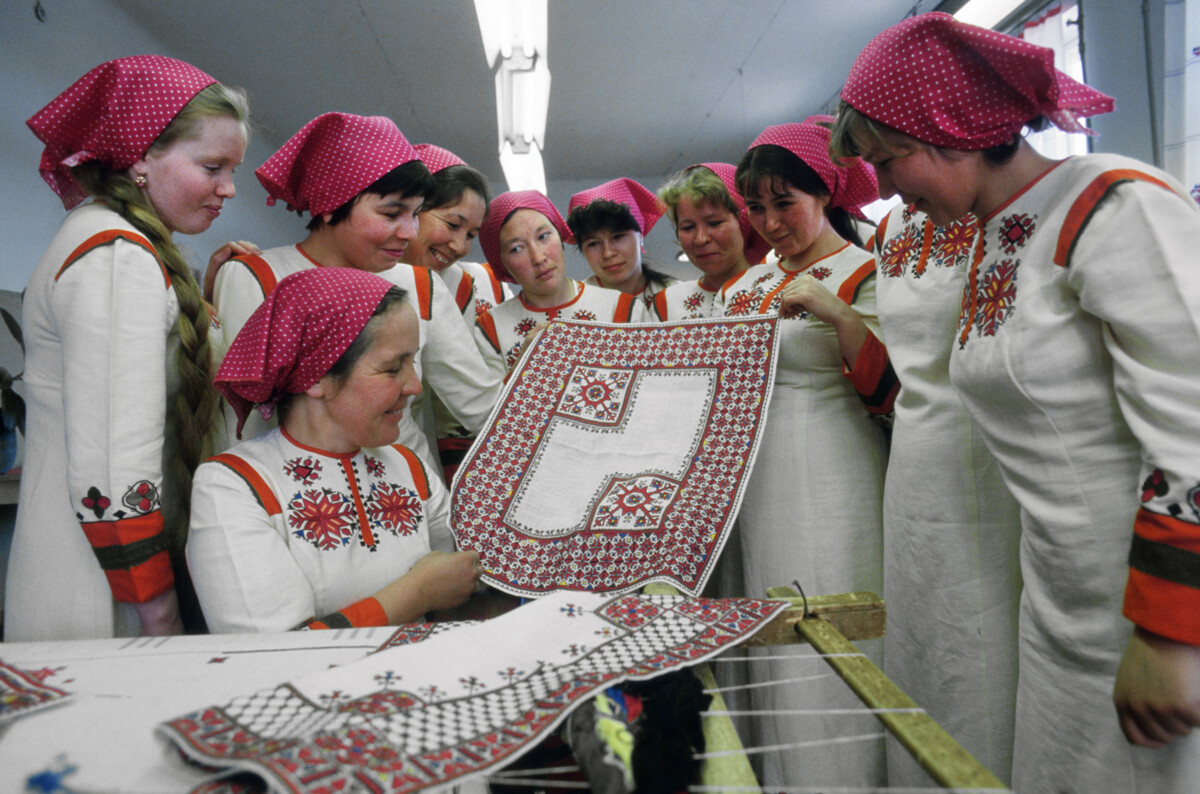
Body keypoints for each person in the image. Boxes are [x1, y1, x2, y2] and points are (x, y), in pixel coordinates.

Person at [830, 11, 1200, 792]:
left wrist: (1171, 636)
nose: (885, 189)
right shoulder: (998, 235)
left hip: (1151, 618)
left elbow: (1192, 429)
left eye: (888, 161)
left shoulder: (1112, 207)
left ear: (954, 129)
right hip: (1060, 610)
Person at [8, 56, 249, 640]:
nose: (229, 189)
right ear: (140, 157)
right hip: (103, 589)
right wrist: (156, 604)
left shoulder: (119, 242)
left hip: (108, 571)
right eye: (211, 166)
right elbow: (116, 461)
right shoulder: (116, 257)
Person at [720, 120, 896, 788]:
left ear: (825, 193)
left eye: (783, 202)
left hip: (835, 470)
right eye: (756, 207)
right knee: (776, 629)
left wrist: (842, 317)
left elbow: (899, 394)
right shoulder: (745, 286)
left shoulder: (864, 272)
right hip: (759, 486)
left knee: (831, 621)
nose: (768, 221)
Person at [189, 268, 479, 633]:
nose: (415, 386)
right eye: (392, 369)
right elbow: (268, 654)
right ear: (317, 377)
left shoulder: (408, 466)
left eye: (412, 363)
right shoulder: (233, 487)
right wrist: (418, 593)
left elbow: (467, 581)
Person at [210, 113, 501, 474]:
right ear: (333, 203)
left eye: (415, 215)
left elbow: (483, 407)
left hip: (406, 494)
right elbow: (243, 427)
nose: (410, 232)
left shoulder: (421, 285)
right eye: (392, 213)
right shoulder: (259, 277)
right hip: (303, 500)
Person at [475, 190, 644, 377]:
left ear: (561, 234)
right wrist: (522, 367)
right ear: (501, 262)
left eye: (543, 237)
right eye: (516, 249)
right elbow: (489, 405)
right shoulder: (490, 328)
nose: (538, 258)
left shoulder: (622, 308)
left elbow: (650, 391)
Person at [405, 143, 512, 321]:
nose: (459, 247)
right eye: (453, 225)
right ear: (411, 210)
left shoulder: (478, 283)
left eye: (470, 235)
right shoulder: (360, 285)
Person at [653, 162, 770, 320]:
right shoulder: (667, 303)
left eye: (714, 223)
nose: (700, 239)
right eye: (688, 227)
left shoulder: (778, 290)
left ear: (744, 221)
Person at [567, 178, 675, 311]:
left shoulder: (677, 297)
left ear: (640, 235)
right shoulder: (572, 307)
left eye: (618, 237)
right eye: (593, 243)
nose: (608, 253)